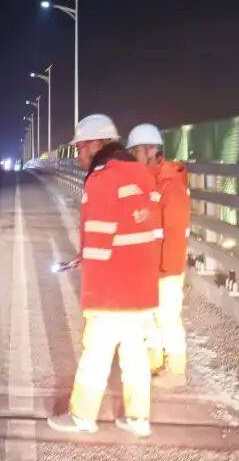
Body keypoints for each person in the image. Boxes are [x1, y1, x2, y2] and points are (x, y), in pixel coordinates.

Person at [48, 114, 162, 438]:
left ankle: (82, 415)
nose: (78, 155)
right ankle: (138, 418)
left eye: (80, 147)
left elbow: (98, 243)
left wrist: (91, 290)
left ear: (96, 144)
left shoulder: (102, 179)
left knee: (95, 354)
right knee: (135, 356)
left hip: (111, 291)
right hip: (143, 287)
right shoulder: (142, 175)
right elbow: (148, 229)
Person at [127, 123, 191, 388]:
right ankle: (155, 365)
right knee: (149, 317)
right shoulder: (145, 181)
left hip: (166, 267)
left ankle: (176, 370)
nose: (133, 157)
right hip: (148, 264)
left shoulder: (170, 184)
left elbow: (175, 231)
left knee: (167, 316)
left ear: (151, 150)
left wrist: (165, 269)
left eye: (136, 152)